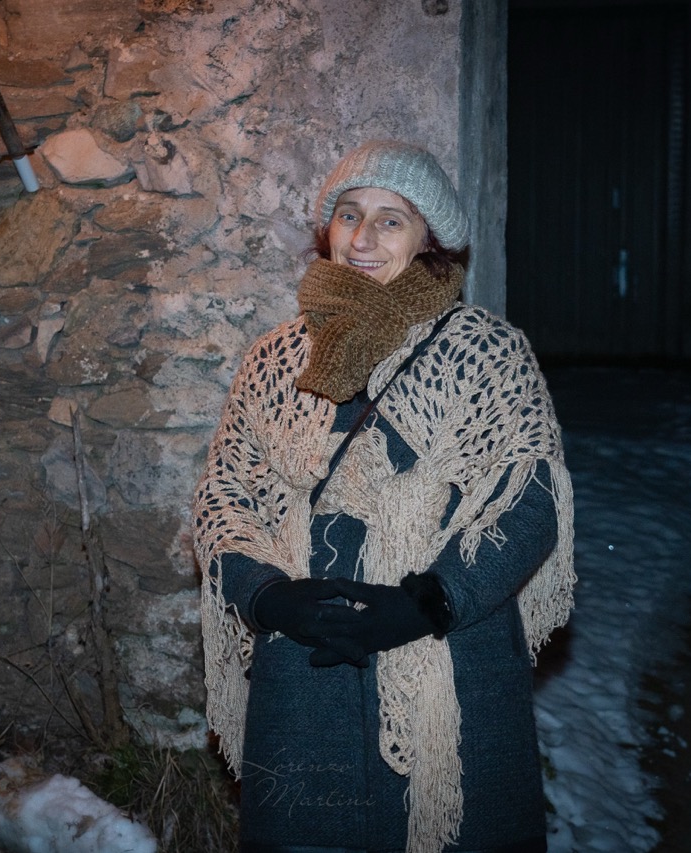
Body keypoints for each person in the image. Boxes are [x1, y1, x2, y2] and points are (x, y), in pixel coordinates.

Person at [193, 139, 576, 853]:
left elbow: (530, 504)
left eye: (390, 220)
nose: (363, 238)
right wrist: (267, 597)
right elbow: (225, 495)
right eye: (349, 215)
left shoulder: (485, 355)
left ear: (428, 238)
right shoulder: (274, 360)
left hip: (451, 666)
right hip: (304, 675)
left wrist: (429, 602)